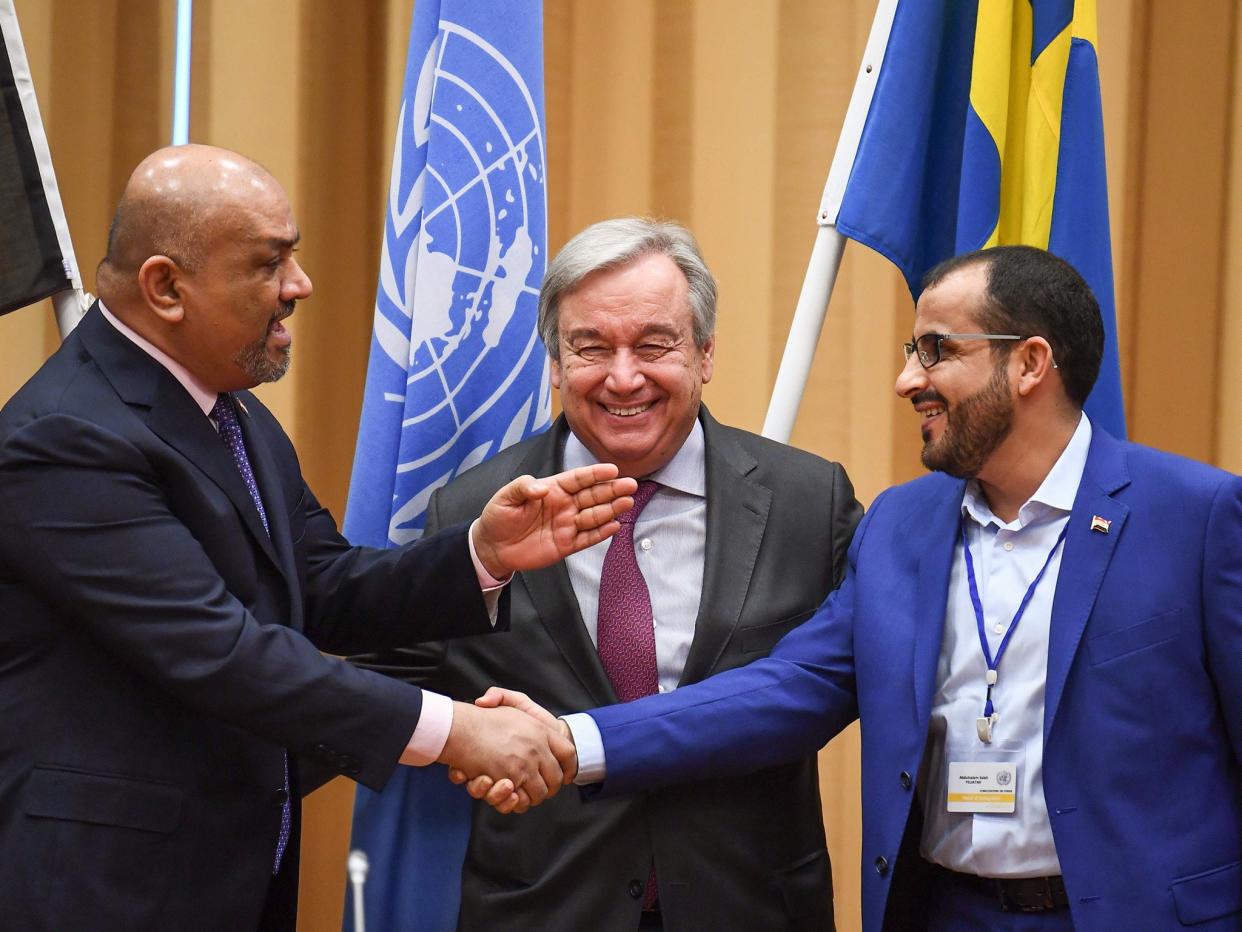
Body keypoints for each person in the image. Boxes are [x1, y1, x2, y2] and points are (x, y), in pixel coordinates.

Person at [474, 246, 1242, 931]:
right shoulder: (901, 527)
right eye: (913, 350)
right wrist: (576, 742)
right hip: (944, 909)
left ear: (1030, 363)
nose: (908, 379)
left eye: (937, 351)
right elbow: (787, 688)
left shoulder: (1196, 518)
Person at [0, 145, 635, 932]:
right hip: (106, 892)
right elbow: (224, 651)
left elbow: (322, 588)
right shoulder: (64, 438)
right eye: (270, 264)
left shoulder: (229, 412)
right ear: (166, 287)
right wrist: (456, 731)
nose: (298, 285)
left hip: (229, 875)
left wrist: (483, 554)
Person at [359, 218, 862, 930]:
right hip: (545, 909)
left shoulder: (809, 504)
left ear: (706, 353)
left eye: (654, 345)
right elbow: (379, 686)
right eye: (590, 348)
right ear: (557, 365)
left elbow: (842, 682)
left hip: (749, 907)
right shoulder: (474, 510)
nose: (623, 377)